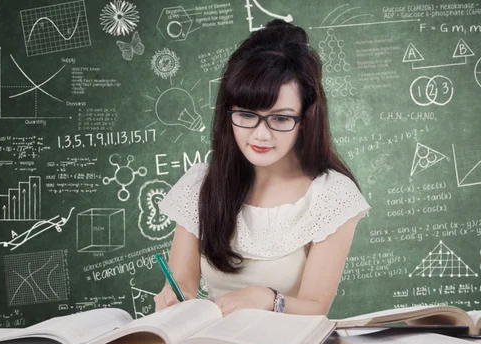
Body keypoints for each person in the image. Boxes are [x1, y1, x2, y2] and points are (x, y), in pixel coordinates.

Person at [155, 19, 370, 316]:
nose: (260, 135)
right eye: (245, 115)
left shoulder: (331, 194)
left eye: (280, 119)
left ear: (306, 118)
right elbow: (182, 286)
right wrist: (171, 298)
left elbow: (316, 308)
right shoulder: (201, 184)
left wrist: (269, 299)